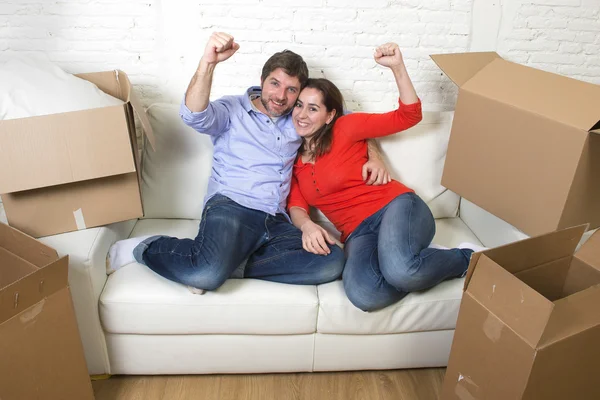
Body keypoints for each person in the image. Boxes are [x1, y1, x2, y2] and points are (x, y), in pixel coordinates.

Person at [106, 32, 389, 293]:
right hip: (231, 207)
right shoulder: (231, 110)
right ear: (262, 80)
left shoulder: (301, 118)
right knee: (205, 275)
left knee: (331, 262)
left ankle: (226, 263)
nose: (280, 96)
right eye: (275, 84)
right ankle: (143, 248)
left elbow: (354, 123)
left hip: (277, 220)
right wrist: (208, 63)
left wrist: (375, 157)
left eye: (291, 90)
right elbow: (193, 114)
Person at [287, 42, 479, 312]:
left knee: (402, 273)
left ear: (330, 115)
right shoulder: (293, 161)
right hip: (358, 234)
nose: (301, 115)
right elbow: (296, 206)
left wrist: (397, 68)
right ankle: (419, 259)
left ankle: (466, 259)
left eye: (313, 108)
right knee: (364, 296)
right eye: (298, 106)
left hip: (395, 208)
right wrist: (307, 226)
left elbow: (409, 116)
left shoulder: (346, 127)